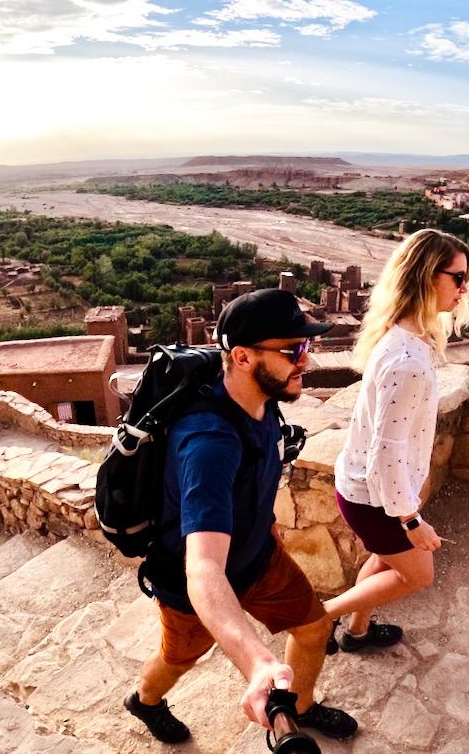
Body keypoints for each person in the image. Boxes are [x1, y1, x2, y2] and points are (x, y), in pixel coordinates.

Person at [124, 288, 358, 744]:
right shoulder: (209, 442)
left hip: (258, 558)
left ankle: (302, 707)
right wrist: (257, 662)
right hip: (189, 585)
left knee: (312, 628)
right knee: (178, 658)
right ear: (243, 357)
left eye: (307, 347)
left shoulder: (261, 395)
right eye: (294, 350)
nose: (305, 361)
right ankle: (145, 702)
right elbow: (204, 566)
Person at [323, 229, 469, 652]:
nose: (464, 288)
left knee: (385, 560)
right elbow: (384, 455)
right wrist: (411, 521)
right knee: (418, 573)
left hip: (371, 491)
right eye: (457, 278)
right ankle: (318, 620)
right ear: (428, 276)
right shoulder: (408, 361)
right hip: (376, 498)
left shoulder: (405, 337)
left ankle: (357, 632)